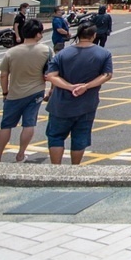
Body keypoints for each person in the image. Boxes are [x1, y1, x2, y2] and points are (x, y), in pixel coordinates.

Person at [44, 24, 112, 165]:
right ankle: (75, 167)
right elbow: (106, 75)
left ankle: (56, 169)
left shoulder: (63, 53)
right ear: (93, 36)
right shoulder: (103, 54)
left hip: (60, 104)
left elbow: (51, 76)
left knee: (56, 137)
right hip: (86, 104)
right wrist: (86, 86)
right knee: (80, 137)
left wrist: (69, 87)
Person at [0, 19, 50, 162]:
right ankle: (21, 153)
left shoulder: (11, 52)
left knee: (6, 125)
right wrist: (51, 91)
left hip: (14, 93)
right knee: (29, 124)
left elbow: (4, 75)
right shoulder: (46, 50)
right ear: (37, 34)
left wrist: (5, 92)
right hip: (36, 91)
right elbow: (50, 73)